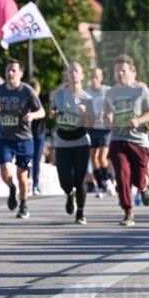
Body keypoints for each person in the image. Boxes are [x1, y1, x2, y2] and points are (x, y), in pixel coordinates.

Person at [103, 54, 149, 227]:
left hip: (138, 140)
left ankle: (143, 187)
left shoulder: (141, 90)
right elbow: (107, 113)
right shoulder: (111, 93)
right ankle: (128, 211)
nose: (120, 74)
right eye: (117, 71)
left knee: (137, 178)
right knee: (122, 175)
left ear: (132, 72)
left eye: (123, 70)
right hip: (118, 139)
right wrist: (107, 119)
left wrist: (138, 121)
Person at [0, 58, 43, 220]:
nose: (11, 73)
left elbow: (42, 111)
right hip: (5, 138)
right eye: (8, 70)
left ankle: (24, 204)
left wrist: (32, 115)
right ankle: (12, 188)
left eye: (14, 70)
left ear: (20, 73)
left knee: (22, 175)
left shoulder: (27, 91)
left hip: (24, 139)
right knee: (5, 171)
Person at [51, 61, 94, 225]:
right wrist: (54, 113)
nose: (73, 73)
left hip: (81, 141)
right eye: (70, 71)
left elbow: (92, 123)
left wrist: (85, 114)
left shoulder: (87, 97)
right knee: (64, 179)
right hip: (62, 141)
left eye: (76, 70)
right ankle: (69, 195)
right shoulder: (60, 94)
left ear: (82, 76)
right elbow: (53, 112)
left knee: (80, 179)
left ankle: (81, 212)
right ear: (67, 76)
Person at [86, 66, 115, 198]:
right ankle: (101, 185)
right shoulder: (86, 92)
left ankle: (108, 179)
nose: (94, 79)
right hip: (92, 128)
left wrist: (107, 114)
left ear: (101, 78)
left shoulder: (107, 90)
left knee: (102, 157)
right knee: (93, 158)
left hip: (105, 128)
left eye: (97, 77)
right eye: (92, 76)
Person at [30, 78, 47, 195]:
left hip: (40, 135)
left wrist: (64, 82)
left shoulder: (40, 100)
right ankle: (26, 182)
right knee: (26, 159)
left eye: (37, 90)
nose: (35, 93)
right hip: (28, 135)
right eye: (33, 90)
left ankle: (35, 185)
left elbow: (52, 94)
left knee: (36, 160)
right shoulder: (26, 101)